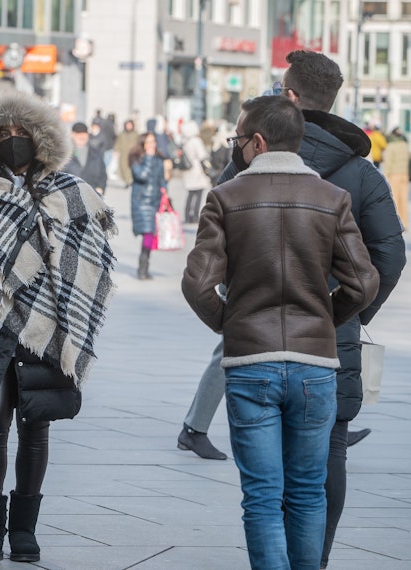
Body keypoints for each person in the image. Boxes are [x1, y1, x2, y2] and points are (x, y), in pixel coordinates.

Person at [173, 50, 407, 569]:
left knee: (261, 496)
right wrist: (333, 316)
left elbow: (197, 280)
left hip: (252, 354)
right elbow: (376, 268)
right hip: (321, 356)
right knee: (314, 484)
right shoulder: (347, 184)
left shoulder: (233, 184)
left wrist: (233, 323)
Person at [0, 90, 116, 565]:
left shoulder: (71, 191)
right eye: (4, 134)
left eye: (22, 133)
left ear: (42, 139)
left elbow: (91, 263)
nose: (14, 141)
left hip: (48, 328)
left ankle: (25, 533)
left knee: (37, 424)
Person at [129, 132, 168, 280]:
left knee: (151, 233)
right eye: (148, 142)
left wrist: (165, 190)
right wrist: (149, 158)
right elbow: (142, 176)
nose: (152, 145)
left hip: (155, 201)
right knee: (148, 233)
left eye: (153, 142)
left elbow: (162, 178)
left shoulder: (158, 158)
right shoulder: (137, 158)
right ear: (143, 144)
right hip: (141, 201)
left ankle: (145, 267)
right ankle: (142, 268)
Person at [63, 121, 107, 195]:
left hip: (91, 196)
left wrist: (101, 188)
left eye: (84, 133)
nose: (81, 136)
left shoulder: (95, 153)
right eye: (78, 133)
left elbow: (103, 174)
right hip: (69, 196)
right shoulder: (64, 153)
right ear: (72, 134)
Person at [179, 120, 211, 224]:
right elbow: (202, 156)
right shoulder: (196, 141)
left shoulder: (184, 141)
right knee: (199, 193)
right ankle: (195, 215)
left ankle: (187, 215)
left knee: (190, 194)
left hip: (188, 171)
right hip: (197, 170)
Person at [381, 128, 409, 229]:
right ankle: (405, 223)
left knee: (395, 199)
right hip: (404, 175)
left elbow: (388, 163)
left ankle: (397, 224)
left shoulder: (391, 146)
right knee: (404, 199)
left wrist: (384, 176)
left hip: (394, 175)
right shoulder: (405, 146)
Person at [114, 119, 139, 187]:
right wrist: (116, 150)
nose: (128, 126)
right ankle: (127, 181)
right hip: (123, 154)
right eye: (127, 125)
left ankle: (130, 180)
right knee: (123, 167)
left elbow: (138, 143)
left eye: (130, 125)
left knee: (131, 167)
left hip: (133, 154)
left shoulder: (135, 134)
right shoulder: (122, 134)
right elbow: (118, 143)